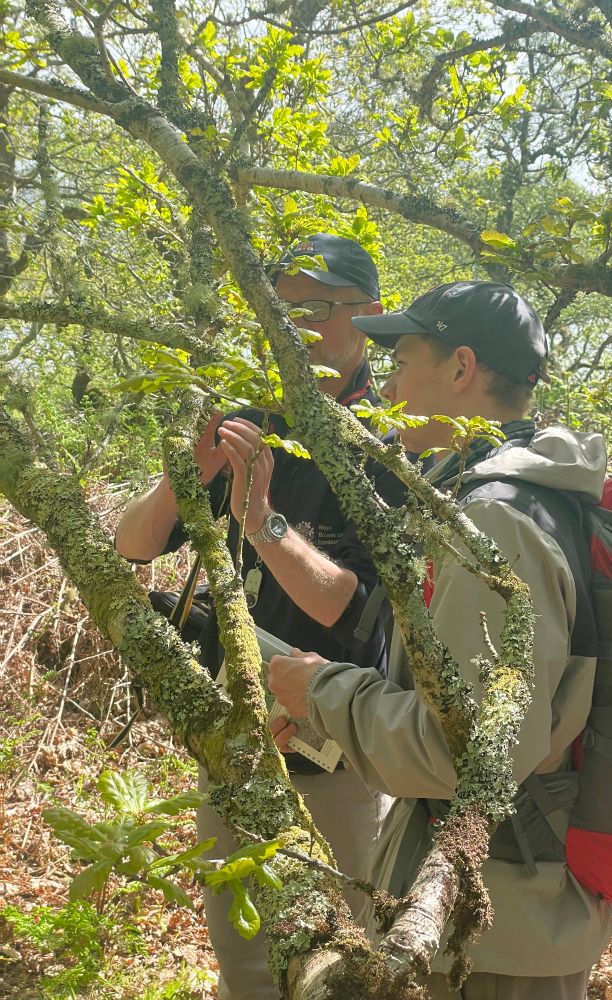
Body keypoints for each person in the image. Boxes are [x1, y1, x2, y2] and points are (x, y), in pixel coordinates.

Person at [267, 280, 612, 1000]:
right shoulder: (513, 499)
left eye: (402, 358)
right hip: (503, 911)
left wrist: (320, 692)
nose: (386, 378)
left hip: (492, 935)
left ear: (461, 369)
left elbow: (466, 755)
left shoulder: (494, 525)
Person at [115, 234, 405, 1000]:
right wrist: (194, 470)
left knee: (339, 958)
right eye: (281, 312)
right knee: (242, 956)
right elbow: (131, 545)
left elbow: (351, 610)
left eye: (313, 312)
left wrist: (262, 519)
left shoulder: (393, 443)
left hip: (333, 748)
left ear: (368, 317)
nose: (294, 332)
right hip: (235, 732)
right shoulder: (254, 418)